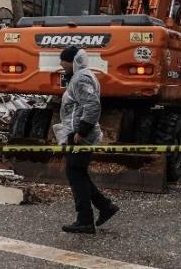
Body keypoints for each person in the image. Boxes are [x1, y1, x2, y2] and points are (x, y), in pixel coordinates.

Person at [55, 46, 119, 234]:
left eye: (63, 60)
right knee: (77, 173)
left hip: (80, 135)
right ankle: (105, 207)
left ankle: (85, 220)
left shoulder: (82, 78)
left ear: (72, 61)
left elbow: (92, 105)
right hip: (77, 133)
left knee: (75, 173)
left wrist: (81, 131)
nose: (61, 64)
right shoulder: (80, 76)